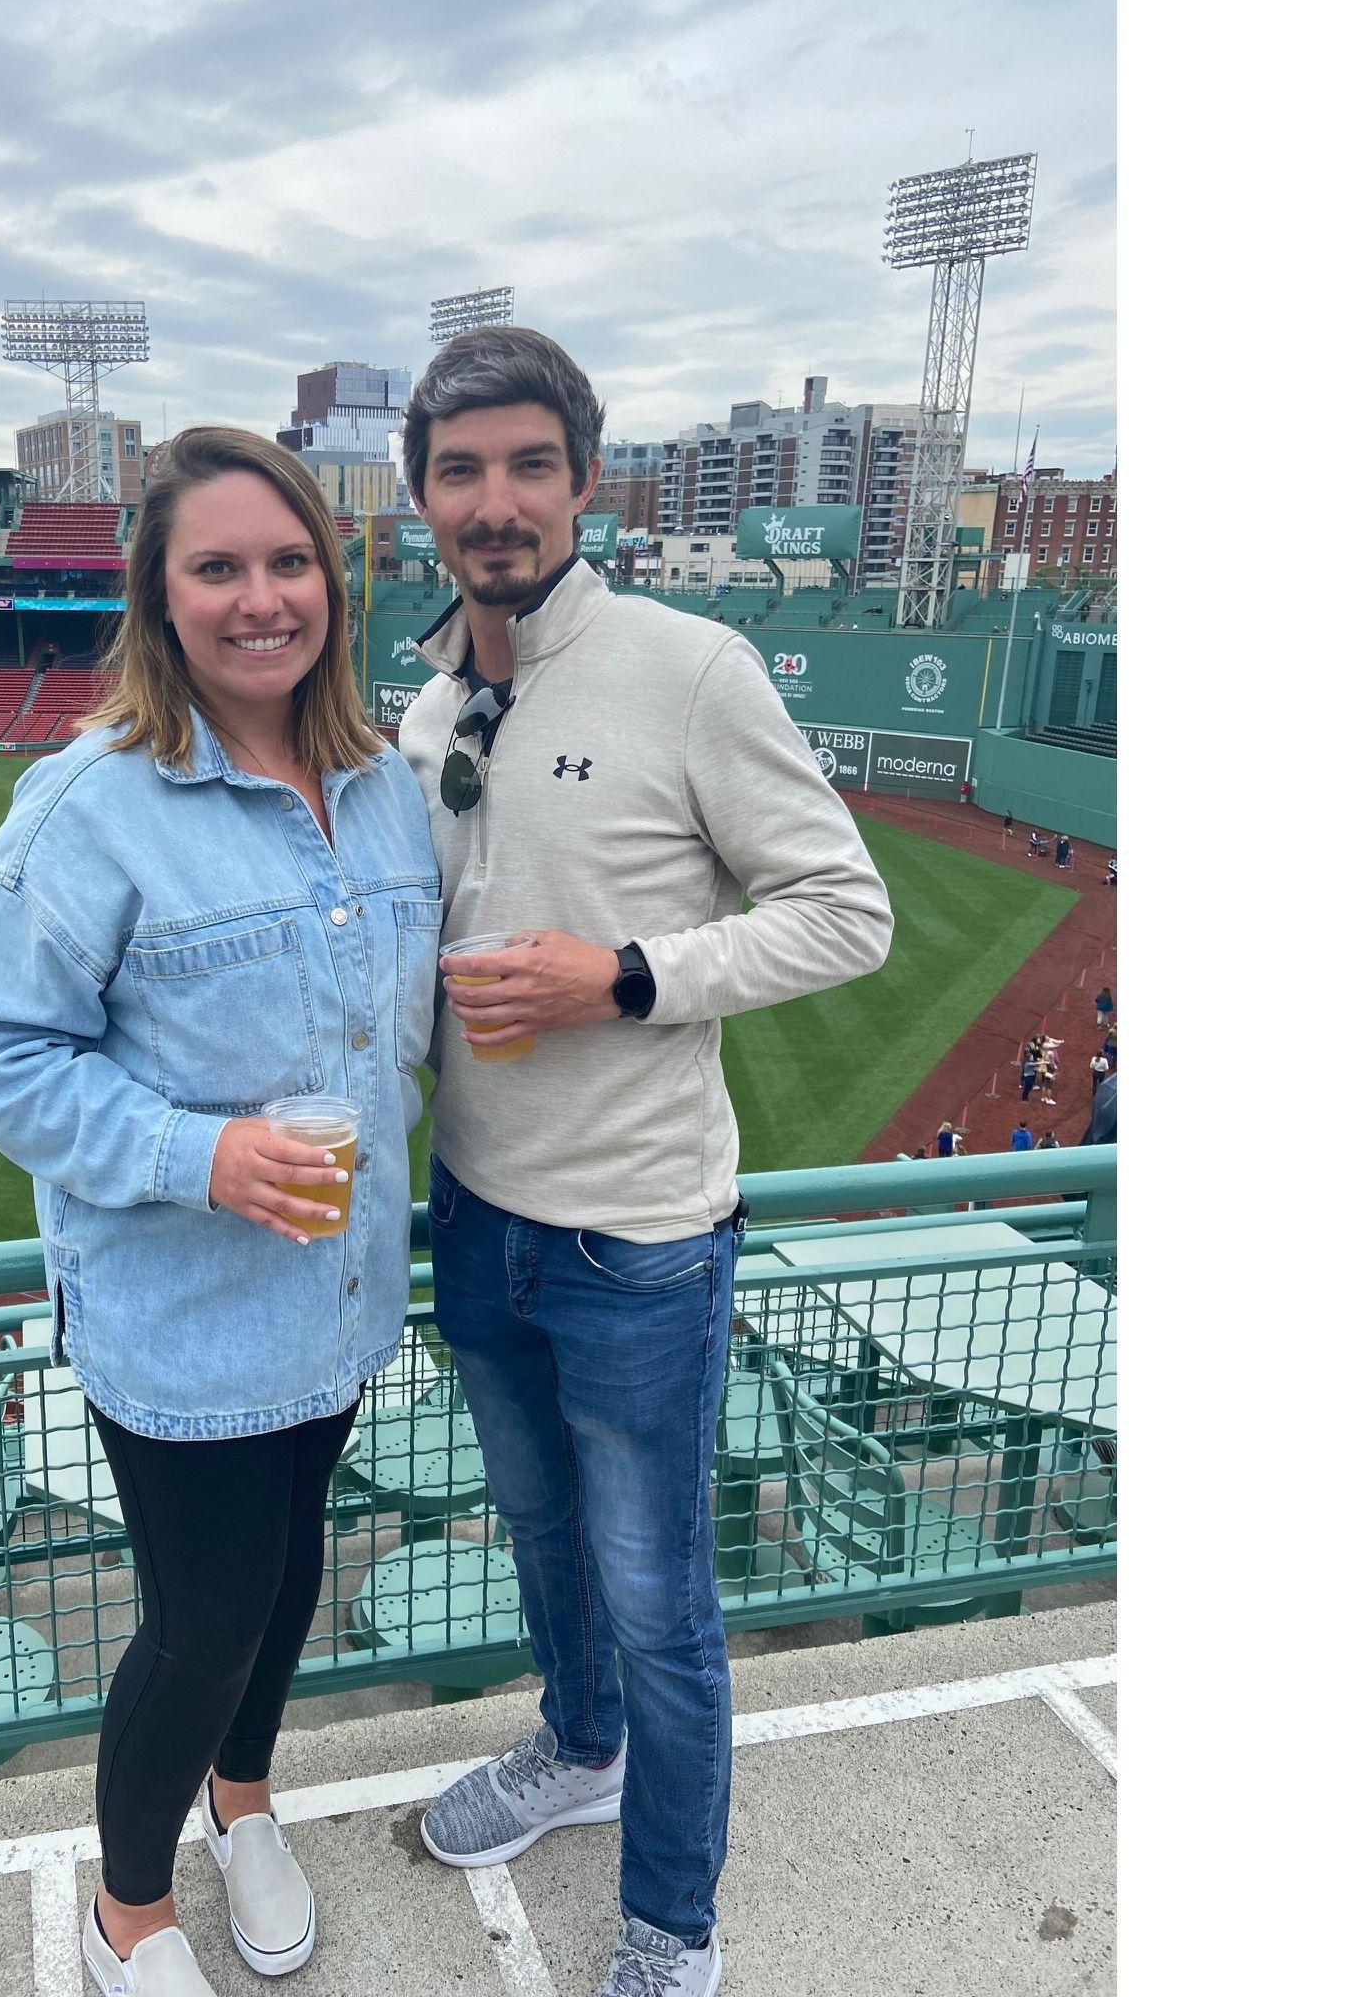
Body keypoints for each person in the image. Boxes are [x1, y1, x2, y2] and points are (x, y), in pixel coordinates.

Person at [393, 327, 893, 1997]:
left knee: (661, 1599)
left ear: (586, 483)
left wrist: (623, 975)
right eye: (461, 470)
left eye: (530, 464)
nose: (497, 500)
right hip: (476, 1218)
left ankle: (673, 1926)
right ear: (423, 501)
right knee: (541, 1540)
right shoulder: (425, 704)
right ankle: (574, 1749)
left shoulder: (691, 670)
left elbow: (846, 912)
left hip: (640, 1247)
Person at [0, 426, 439, 1996]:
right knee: (203, 1617)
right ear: (160, 591)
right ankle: (131, 1910)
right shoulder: (89, 805)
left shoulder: (386, 787)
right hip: (181, 1315)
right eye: (217, 566)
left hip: (341, 1292)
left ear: (334, 586)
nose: (260, 598)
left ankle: (247, 1799)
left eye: (289, 562)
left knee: (290, 1576)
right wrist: (197, 1154)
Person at [1081, 1069, 1117, 1145]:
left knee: (1096, 1084)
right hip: (1101, 1073)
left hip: (1095, 1073)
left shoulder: (1107, 1087)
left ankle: (1094, 1093)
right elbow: (1106, 1068)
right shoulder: (1110, 1087)